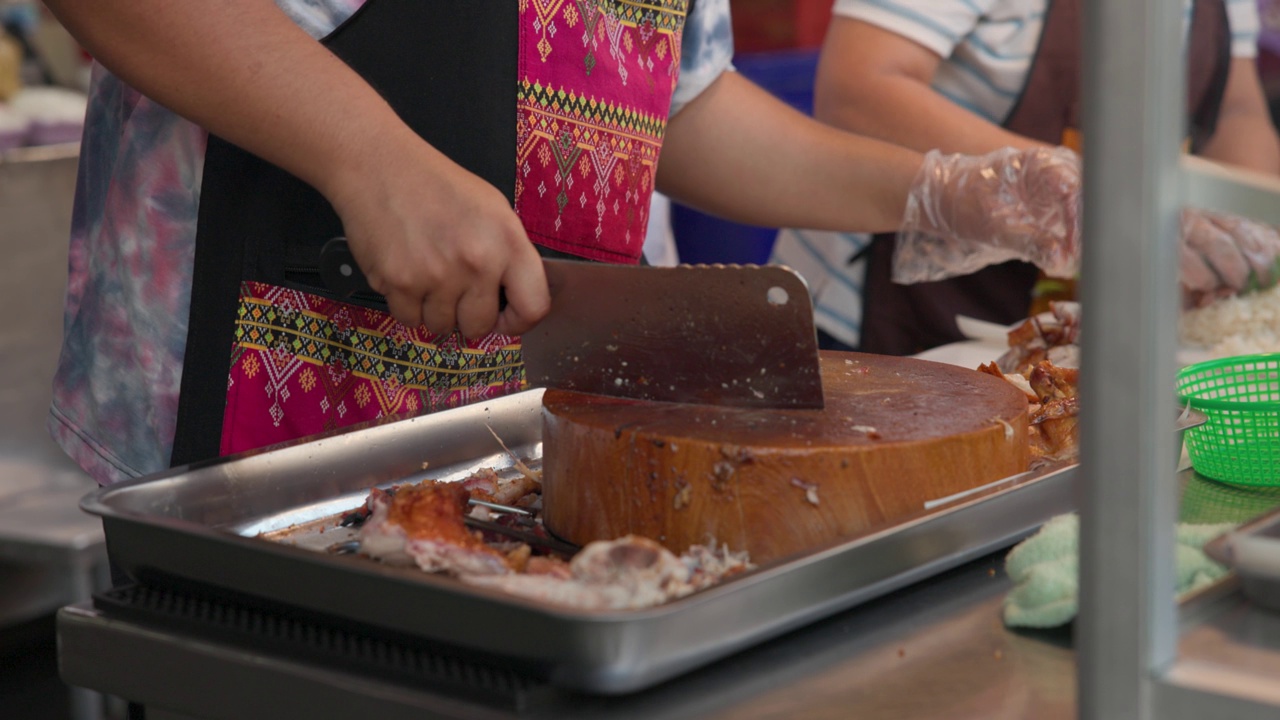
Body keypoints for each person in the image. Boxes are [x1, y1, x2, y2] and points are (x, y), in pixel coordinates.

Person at [43, 0, 1081, 488]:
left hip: (507, 433)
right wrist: (371, 161)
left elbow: (679, 106)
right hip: (238, 440)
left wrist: (942, 193)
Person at [772, 0, 1280, 355]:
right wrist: (1088, 195)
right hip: (893, 316)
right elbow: (860, 90)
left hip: (1085, 332)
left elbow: (1236, 110)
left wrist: (1249, 233)